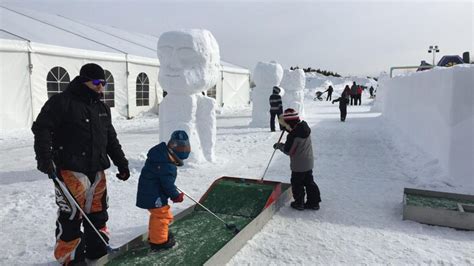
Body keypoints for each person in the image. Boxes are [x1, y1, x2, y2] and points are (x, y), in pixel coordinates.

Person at [31, 63, 130, 265]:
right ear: (84, 80)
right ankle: (71, 257)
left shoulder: (102, 107)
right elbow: (42, 129)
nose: (101, 87)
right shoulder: (62, 102)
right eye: (96, 82)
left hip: (97, 170)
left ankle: (97, 248)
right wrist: (44, 158)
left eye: (104, 83)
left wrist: (122, 163)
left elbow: (110, 138)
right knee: (72, 215)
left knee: (98, 213)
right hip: (71, 169)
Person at [136, 130, 190, 251]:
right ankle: (159, 243)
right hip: (154, 195)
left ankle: (156, 236)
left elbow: (163, 180)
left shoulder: (160, 157)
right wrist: (176, 196)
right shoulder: (167, 166)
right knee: (162, 216)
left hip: (150, 192)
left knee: (157, 215)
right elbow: (168, 185)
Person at [273, 108, 321, 210]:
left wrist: (280, 146)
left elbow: (289, 150)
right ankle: (314, 202)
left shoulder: (293, 136)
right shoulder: (304, 128)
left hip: (298, 165)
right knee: (309, 182)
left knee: (297, 183)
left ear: (289, 123)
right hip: (308, 161)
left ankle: (299, 203)